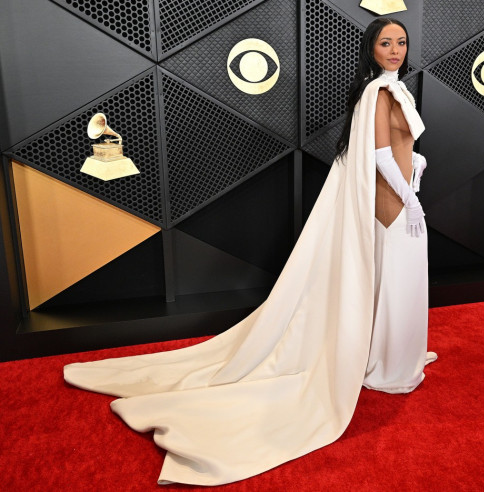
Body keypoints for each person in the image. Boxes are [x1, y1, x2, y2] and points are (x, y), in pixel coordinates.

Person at [63, 17, 435, 486]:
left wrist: (415, 168)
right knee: (398, 284)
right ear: (371, 48)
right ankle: (390, 365)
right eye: (386, 42)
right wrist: (411, 196)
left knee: (396, 285)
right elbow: (380, 157)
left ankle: (390, 357)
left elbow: (398, 150)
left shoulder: (393, 91)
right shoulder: (378, 94)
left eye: (401, 42)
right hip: (394, 207)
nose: (396, 49)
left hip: (399, 201)